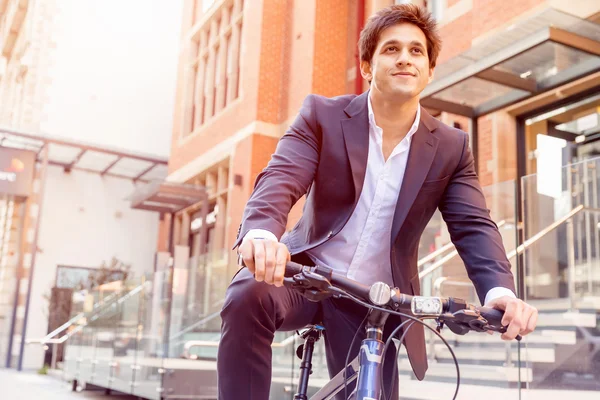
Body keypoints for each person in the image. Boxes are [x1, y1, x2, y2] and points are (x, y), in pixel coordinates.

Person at [217, 4, 538, 399]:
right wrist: (263, 232)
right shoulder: (323, 115)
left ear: (430, 70)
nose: (405, 57)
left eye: (416, 51)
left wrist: (500, 294)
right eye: (391, 49)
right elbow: (282, 175)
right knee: (247, 294)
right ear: (367, 66)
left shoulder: (452, 147)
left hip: (375, 299)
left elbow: (474, 225)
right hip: (307, 276)